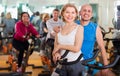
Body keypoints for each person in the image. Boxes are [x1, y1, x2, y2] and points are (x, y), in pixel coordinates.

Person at [51, 3, 85, 76]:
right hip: (62, 64)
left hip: (76, 64)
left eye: (73, 12)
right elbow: (55, 49)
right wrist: (56, 53)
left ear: (76, 14)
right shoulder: (58, 29)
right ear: (62, 13)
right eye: (67, 12)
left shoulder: (79, 28)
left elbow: (76, 48)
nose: (70, 15)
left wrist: (60, 46)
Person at [79, 4, 109, 76]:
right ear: (80, 12)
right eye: (84, 10)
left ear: (91, 14)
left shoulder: (95, 28)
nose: (86, 13)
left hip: (89, 61)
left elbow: (101, 47)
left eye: (89, 11)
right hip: (75, 62)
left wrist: (106, 66)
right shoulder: (74, 25)